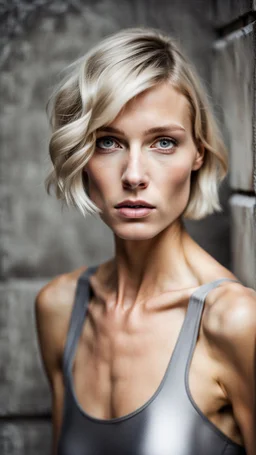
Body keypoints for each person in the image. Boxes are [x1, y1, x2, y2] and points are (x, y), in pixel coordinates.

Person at [35, 27, 256, 455]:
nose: (134, 175)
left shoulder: (235, 323)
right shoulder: (59, 309)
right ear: (81, 154)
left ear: (199, 153)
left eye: (164, 142)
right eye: (109, 142)